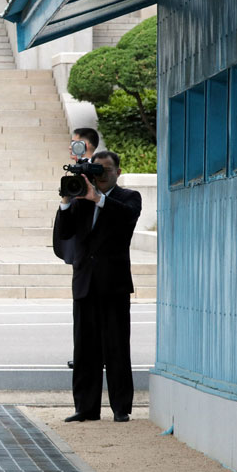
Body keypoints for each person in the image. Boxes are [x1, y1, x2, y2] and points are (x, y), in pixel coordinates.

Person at [55, 150, 141, 423]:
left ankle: (120, 408)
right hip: (84, 283)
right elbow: (64, 234)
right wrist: (67, 201)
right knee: (84, 350)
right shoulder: (82, 199)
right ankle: (85, 408)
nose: (101, 175)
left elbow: (126, 220)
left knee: (116, 347)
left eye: (106, 170)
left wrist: (99, 198)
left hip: (113, 284)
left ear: (117, 171)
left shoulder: (128, 198)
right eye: (97, 170)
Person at [55, 127, 100, 266]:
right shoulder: (76, 169)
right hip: (76, 242)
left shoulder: (99, 168)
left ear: (86, 145)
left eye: (74, 143)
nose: (70, 147)